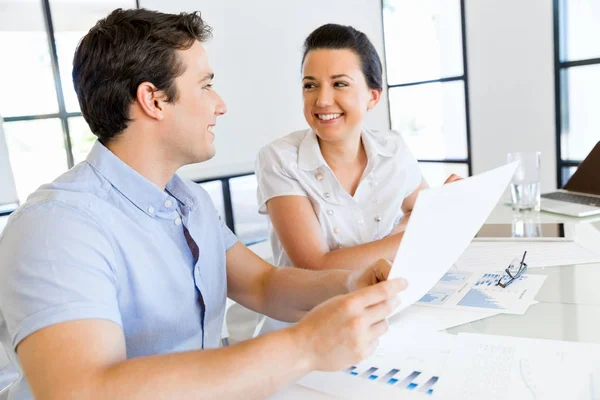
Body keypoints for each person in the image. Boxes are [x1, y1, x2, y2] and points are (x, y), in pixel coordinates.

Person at [0, 9, 408, 400]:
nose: (221, 104)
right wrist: (305, 345)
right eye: (206, 85)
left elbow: (263, 286)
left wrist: (348, 285)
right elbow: (82, 392)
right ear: (154, 101)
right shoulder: (55, 226)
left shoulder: (188, 200)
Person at [256, 24, 459, 332]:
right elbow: (315, 267)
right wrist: (410, 237)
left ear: (373, 96)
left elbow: (422, 210)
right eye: (310, 86)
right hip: (308, 324)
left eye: (340, 84)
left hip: (385, 310)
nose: (322, 101)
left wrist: (442, 208)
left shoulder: (393, 148)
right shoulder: (280, 158)